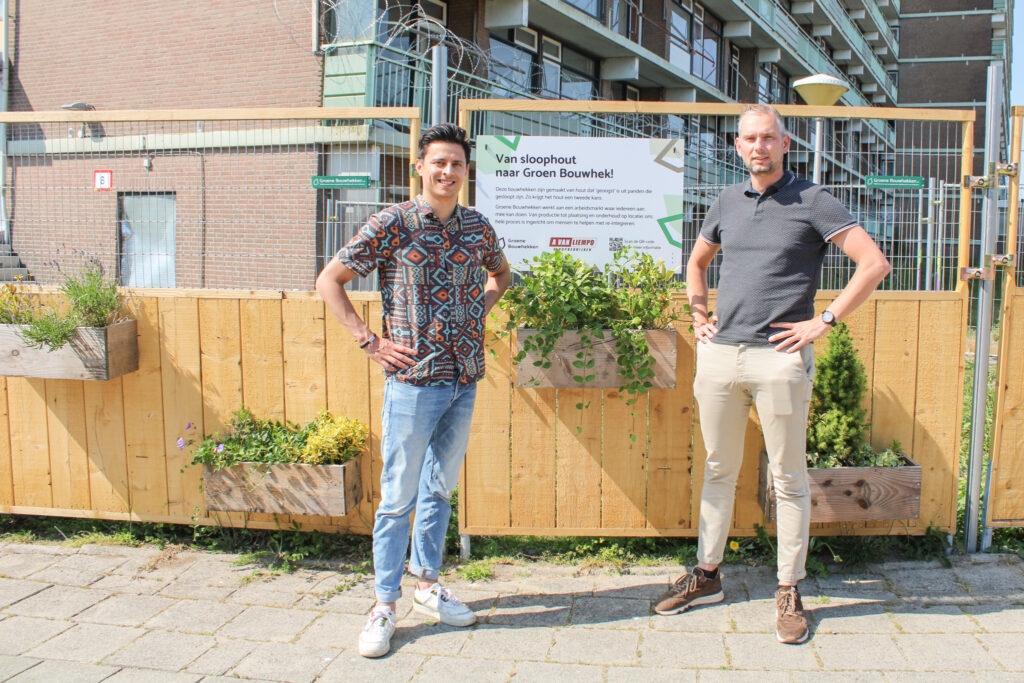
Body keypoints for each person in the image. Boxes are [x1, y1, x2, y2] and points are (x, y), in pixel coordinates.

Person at [655, 104, 891, 644]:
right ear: (738, 147)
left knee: (787, 478)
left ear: (786, 144)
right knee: (718, 469)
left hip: (779, 360)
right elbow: (696, 263)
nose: (758, 146)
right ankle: (708, 575)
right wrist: (698, 316)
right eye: (749, 139)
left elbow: (873, 263)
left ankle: (788, 589)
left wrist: (822, 322)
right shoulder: (725, 200)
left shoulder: (813, 200)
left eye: (768, 137)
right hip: (721, 357)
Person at [315, 122, 510, 658]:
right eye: (439, 162)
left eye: (457, 164)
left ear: (467, 172)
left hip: (464, 379)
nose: (448, 172)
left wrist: (477, 312)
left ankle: (427, 584)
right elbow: (329, 280)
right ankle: (383, 604)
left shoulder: (477, 227)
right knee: (398, 495)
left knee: (439, 488)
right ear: (419, 167)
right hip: (412, 383)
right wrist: (368, 341)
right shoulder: (392, 224)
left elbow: (501, 277)